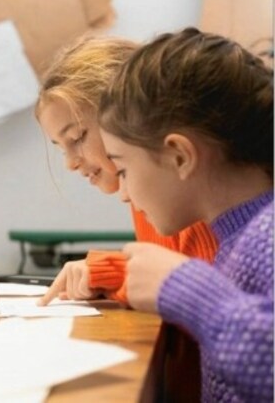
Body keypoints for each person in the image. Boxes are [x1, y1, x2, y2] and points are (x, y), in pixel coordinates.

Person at [34, 36, 218, 401]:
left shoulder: (185, 198)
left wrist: (119, 274)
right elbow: (175, 278)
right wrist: (114, 272)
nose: (70, 163)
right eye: (61, 148)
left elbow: (203, 297)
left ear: (129, 112)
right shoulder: (142, 196)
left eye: (78, 137)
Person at [98, 27, 273, 402]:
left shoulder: (268, 233)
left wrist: (187, 289)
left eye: (123, 169)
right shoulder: (244, 237)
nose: (123, 193)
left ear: (180, 156)